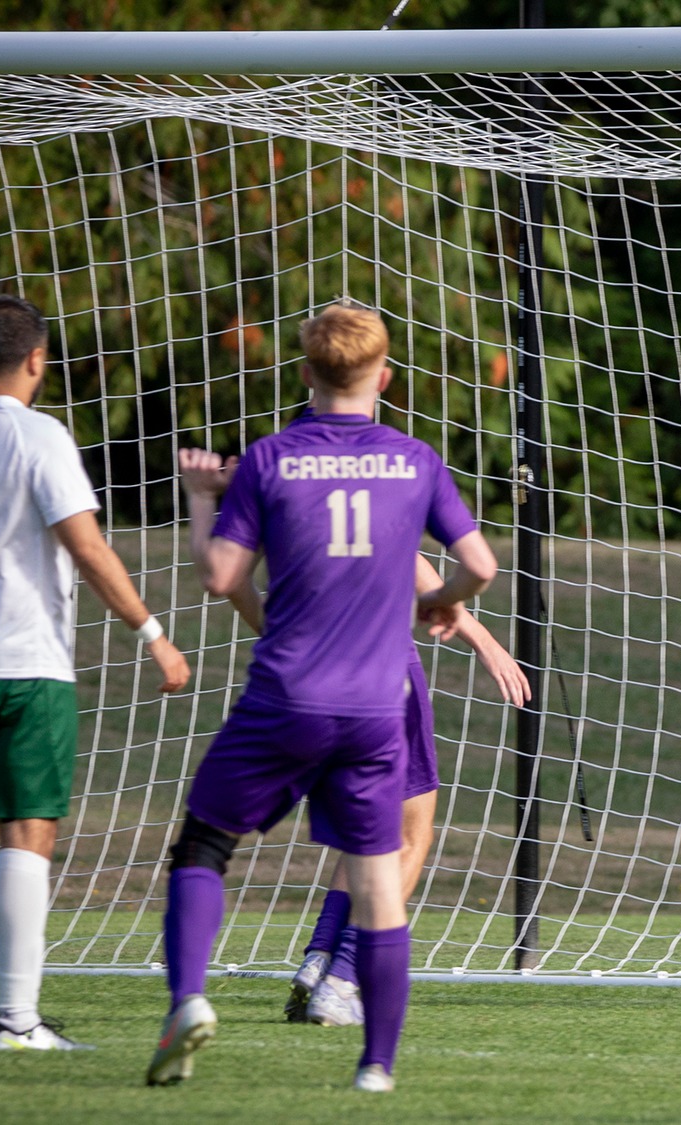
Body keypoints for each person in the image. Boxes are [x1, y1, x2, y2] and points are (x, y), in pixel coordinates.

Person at [146, 302, 497, 1092]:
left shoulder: (270, 458)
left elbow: (223, 578)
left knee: (206, 842)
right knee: (377, 878)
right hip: (376, 707)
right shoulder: (414, 459)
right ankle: (375, 1064)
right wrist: (444, 596)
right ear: (385, 376)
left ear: (306, 372)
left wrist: (203, 496)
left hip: (286, 696)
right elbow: (481, 563)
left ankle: (188, 1001)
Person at [0, 294, 191, 1051]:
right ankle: (17, 1020)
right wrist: (153, 632)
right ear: (36, 359)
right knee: (30, 830)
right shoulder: (39, 435)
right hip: (25, 664)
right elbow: (87, 546)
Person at [176, 450, 526, 1026]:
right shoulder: (380, 467)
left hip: (299, 682)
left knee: (353, 832)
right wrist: (484, 641)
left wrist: (275, 629)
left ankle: (317, 962)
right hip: (381, 678)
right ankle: (343, 981)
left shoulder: (273, 475)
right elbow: (428, 568)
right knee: (405, 835)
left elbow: (227, 579)